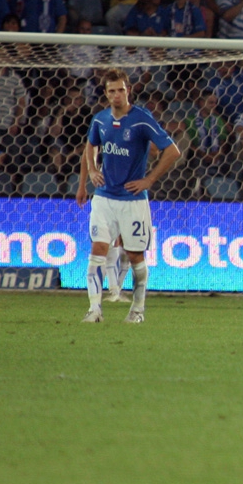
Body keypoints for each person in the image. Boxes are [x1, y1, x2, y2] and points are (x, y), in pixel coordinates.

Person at [78, 69, 181, 324]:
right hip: (103, 198)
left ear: (128, 90)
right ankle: (94, 309)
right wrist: (90, 173)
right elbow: (89, 147)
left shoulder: (141, 119)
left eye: (120, 89)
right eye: (111, 90)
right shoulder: (100, 119)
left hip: (132, 200)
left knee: (135, 256)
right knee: (97, 250)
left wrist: (149, 180)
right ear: (105, 93)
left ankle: (137, 309)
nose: (116, 94)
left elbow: (172, 151)